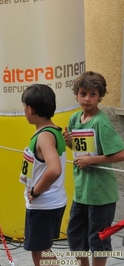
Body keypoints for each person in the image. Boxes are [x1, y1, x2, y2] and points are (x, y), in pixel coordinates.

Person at [63, 71, 124, 266]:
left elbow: (122, 153)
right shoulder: (74, 119)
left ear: (100, 96)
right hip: (81, 191)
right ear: (76, 94)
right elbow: (80, 151)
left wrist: (92, 161)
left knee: (98, 240)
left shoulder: (101, 122)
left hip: (100, 194)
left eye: (93, 94)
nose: (87, 99)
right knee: (76, 237)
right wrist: (69, 143)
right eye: (83, 94)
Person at [19, 84, 67, 266]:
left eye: (24, 107)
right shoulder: (54, 130)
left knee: (39, 253)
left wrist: (36, 191)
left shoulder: (44, 136)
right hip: (52, 202)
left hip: (43, 205)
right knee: (43, 250)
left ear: (30, 109)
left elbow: (54, 169)